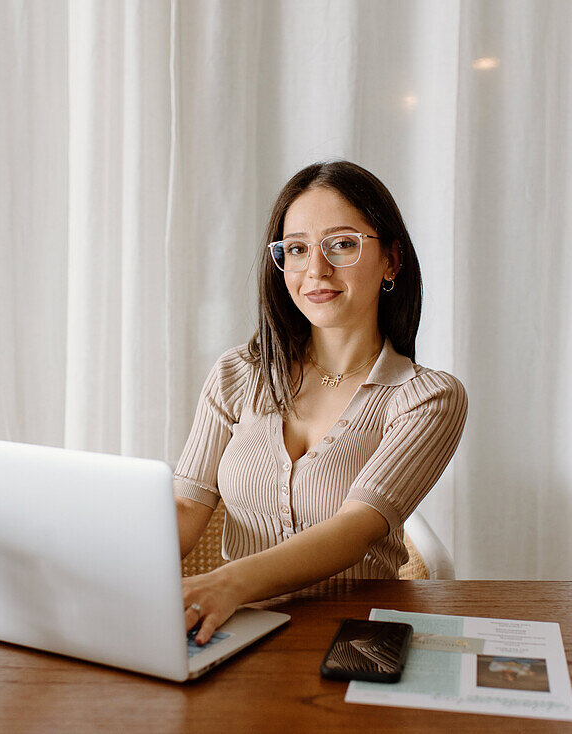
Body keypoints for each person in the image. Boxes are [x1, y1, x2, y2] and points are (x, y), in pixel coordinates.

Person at [174, 160, 468, 645]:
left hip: (355, 642)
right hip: (232, 635)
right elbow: (187, 505)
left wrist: (225, 584)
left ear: (392, 260)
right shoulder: (237, 374)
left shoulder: (428, 399)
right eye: (297, 249)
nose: (315, 269)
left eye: (343, 244)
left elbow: (355, 529)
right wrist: (109, 570)